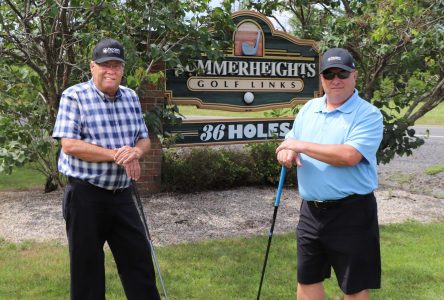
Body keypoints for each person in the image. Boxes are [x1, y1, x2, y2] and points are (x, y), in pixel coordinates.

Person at [52, 38, 161, 300]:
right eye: (104, 65)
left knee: (140, 264)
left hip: (122, 195)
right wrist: (116, 155)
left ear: (122, 69)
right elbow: (70, 145)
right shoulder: (74, 96)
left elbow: (144, 139)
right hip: (85, 197)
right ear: (92, 67)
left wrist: (135, 151)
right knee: (86, 272)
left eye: (116, 65)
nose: (110, 70)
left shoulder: (131, 97)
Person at [276, 48, 383, 300]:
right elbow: (288, 143)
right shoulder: (309, 109)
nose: (335, 80)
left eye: (342, 73)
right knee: (307, 278)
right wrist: (286, 153)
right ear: (321, 78)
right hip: (311, 212)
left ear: (354, 76)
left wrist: (298, 146)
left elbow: (348, 156)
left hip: (352, 213)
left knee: (354, 287)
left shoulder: (368, 114)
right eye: (328, 74)